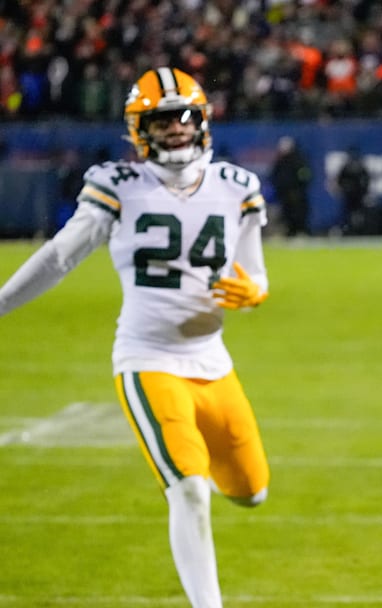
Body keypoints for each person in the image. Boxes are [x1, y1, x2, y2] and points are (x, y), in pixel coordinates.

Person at [0, 67, 271, 607]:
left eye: (183, 118)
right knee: (190, 492)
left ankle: (196, 463)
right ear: (139, 130)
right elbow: (59, 256)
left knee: (252, 491)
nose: (175, 130)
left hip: (213, 362)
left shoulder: (236, 186)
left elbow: (256, 273)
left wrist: (255, 292)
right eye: (161, 121)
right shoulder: (117, 186)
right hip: (147, 358)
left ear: (202, 122)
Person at [270, 135, 313, 236]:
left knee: (298, 213)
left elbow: (305, 175)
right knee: (287, 214)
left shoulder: (298, 160)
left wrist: (299, 188)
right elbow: (274, 176)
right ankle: (290, 231)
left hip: (297, 193)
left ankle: (301, 231)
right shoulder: (280, 162)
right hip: (284, 194)